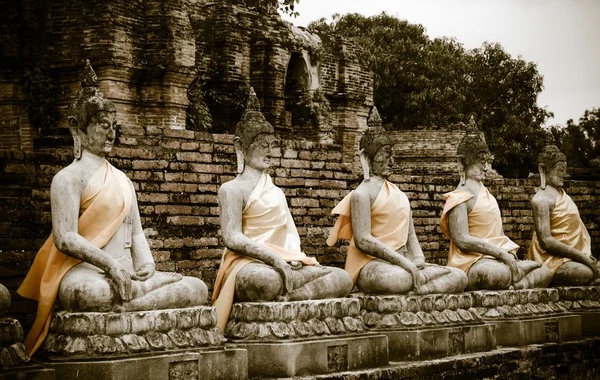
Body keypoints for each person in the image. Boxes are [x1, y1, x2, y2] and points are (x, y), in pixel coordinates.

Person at [18, 60, 207, 355]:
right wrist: (110, 265)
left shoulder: (122, 180)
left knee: (197, 288)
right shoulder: (67, 178)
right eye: (102, 126)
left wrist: (146, 266)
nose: (110, 133)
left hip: (128, 271)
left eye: (113, 127)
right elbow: (65, 237)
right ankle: (140, 296)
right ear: (79, 128)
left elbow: (138, 234)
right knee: (90, 295)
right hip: (85, 271)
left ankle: (138, 292)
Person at [212, 88, 352, 331]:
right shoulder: (231, 189)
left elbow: (289, 235)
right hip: (248, 264)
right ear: (241, 146)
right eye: (261, 144)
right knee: (265, 282)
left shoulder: (275, 191)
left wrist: (291, 257)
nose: (269, 150)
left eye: (271, 144)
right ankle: (291, 297)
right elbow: (232, 238)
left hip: (283, 263)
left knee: (342, 279)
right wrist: (274, 258)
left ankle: (289, 299)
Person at [328, 107, 468, 295]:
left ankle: (419, 286)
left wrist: (417, 259)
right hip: (373, 265)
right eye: (386, 156)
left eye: (392, 156)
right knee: (396, 279)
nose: (392, 161)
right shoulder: (361, 194)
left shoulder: (399, 194)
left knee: (459, 276)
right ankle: (423, 286)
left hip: (403, 262)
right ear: (367, 157)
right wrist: (402, 262)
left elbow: (411, 236)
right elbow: (363, 240)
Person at [440, 118, 552, 290]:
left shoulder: (487, 195)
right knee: (494, 275)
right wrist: (499, 253)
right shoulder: (458, 197)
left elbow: (498, 235)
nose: (485, 167)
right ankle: (516, 280)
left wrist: (505, 254)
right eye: (480, 161)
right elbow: (462, 239)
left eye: (486, 161)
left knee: (544, 271)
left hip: (499, 258)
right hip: (473, 261)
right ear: (463, 163)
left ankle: (518, 284)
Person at [528, 144, 599, 286]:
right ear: (543, 169)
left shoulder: (563, 196)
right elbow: (546, 241)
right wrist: (581, 257)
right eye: (560, 170)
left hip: (573, 257)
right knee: (585, 273)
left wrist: (584, 256)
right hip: (551, 260)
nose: (564, 175)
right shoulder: (541, 200)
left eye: (564, 170)